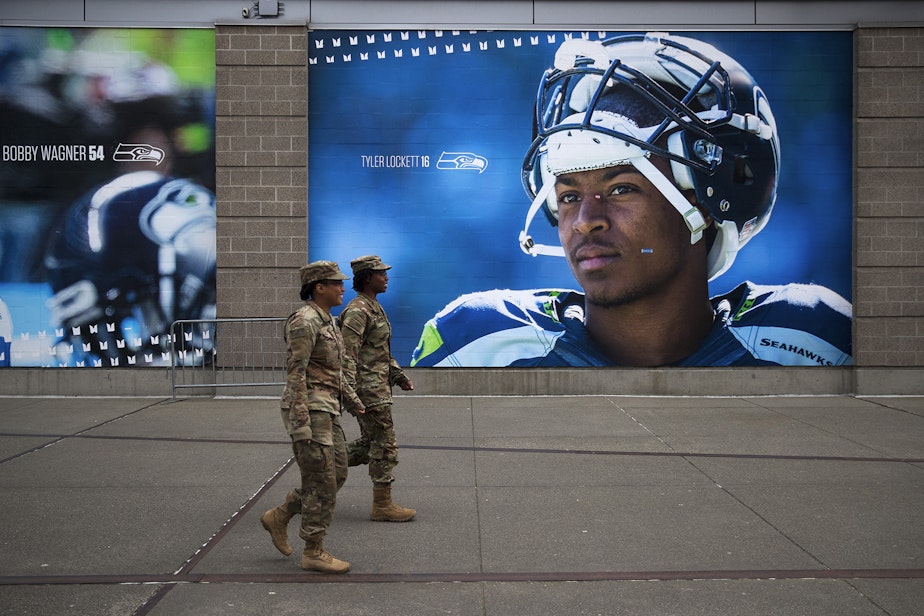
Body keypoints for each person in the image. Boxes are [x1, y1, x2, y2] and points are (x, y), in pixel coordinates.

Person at [411, 32, 852, 368]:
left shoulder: (815, 342)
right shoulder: (476, 344)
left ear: (706, 201)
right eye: (567, 195)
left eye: (622, 188)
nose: (585, 221)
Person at [260, 260, 364, 574]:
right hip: (309, 410)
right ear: (319, 287)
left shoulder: (328, 321)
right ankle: (313, 550)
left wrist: (355, 402)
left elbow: (333, 371)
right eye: (336, 283)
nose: (343, 288)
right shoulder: (304, 320)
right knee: (321, 481)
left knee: (338, 474)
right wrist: (301, 421)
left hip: (328, 408)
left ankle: (280, 514)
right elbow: (297, 374)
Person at [339, 255, 416, 522]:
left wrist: (398, 376)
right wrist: (348, 393)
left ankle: (324, 463)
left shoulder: (374, 307)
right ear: (367, 277)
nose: (386, 277)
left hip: (379, 386)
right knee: (384, 443)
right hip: (367, 390)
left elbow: (378, 351)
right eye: (381, 273)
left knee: (370, 443)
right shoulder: (358, 311)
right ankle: (382, 504)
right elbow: (347, 355)